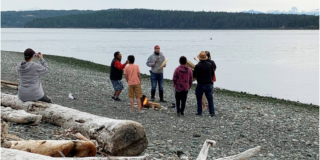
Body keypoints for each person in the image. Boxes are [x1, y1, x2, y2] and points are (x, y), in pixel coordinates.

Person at [193, 51, 215, 117]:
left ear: (199, 58)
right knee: (210, 99)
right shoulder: (210, 65)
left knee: (199, 98)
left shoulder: (197, 66)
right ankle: (212, 112)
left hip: (201, 84)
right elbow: (213, 74)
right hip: (209, 83)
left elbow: (194, 75)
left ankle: (200, 112)